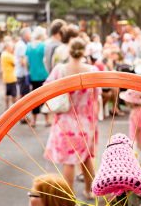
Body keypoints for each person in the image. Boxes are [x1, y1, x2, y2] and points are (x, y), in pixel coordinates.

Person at [44, 38, 101, 200]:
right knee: (87, 158)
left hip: (66, 120)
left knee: (68, 160)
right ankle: (90, 191)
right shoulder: (93, 70)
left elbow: (46, 88)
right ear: (84, 52)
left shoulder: (60, 69)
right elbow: (97, 95)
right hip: (86, 120)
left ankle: (69, 196)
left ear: (69, 51)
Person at [26, 27, 50, 127]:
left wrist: (28, 72)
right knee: (45, 98)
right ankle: (47, 120)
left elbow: (26, 62)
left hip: (33, 74)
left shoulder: (29, 45)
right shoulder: (44, 45)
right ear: (40, 35)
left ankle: (34, 121)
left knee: (34, 98)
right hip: (44, 74)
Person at [14, 28, 32, 99]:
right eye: (30, 34)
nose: (31, 35)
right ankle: (20, 109)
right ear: (25, 35)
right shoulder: (22, 45)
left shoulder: (22, 44)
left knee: (23, 93)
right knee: (23, 94)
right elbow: (22, 62)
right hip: (22, 73)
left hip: (21, 72)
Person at [0, 41, 17, 109]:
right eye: (11, 47)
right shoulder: (7, 55)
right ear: (7, 47)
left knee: (7, 92)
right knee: (13, 94)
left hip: (7, 76)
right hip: (10, 76)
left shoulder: (4, 54)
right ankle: (15, 108)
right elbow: (15, 62)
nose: (12, 48)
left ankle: (7, 107)